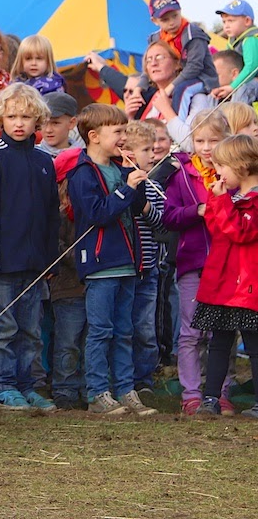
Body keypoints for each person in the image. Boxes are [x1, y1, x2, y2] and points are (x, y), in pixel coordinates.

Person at [0, 83, 59, 411]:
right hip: (2, 262)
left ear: (37, 120)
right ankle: (2, 387)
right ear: (0, 119)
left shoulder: (43, 161)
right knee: (4, 326)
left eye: (25, 116)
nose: (19, 123)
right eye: (11, 116)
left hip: (35, 264)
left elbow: (52, 214)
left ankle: (28, 384)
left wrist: (50, 260)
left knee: (31, 329)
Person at [66, 103, 155, 416]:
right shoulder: (82, 174)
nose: (123, 137)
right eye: (117, 131)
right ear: (93, 136)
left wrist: (135, 180)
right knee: (101, 330)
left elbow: (134, 208)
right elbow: (95, 215)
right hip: (101, 264)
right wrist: (123, 191)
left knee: (124, 331)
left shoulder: (120, 169)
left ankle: (125, 389)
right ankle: (98, 392)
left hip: (128, 263)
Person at [162, 110, 236, 414]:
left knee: (223, 330)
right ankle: (191, 392)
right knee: (192, 331)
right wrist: (198, 211)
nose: (206, 148)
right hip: (193, 262)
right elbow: (169, 217)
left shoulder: (233, 175)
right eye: (200, 140)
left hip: (229, 264)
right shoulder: (181, 175)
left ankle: (220, 391)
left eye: (213, 141)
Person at [192, 134, 258, 418]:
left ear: (241, 165)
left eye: (222, 166)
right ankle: (211, 398)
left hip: (246, 288)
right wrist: (216, 200)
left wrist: (222, 202)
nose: (218, 172)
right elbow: (218, 228)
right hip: (223, 285)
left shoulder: (253, 202)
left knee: (254, 345)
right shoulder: (233, 198)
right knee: (218, 342)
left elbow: (241, 232)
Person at [121, 121, 166, 398]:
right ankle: (123, 380)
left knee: (145, 330)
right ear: (127, 152)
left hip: (148, 270)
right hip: (124, 269)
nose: (153, 154)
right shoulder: (118, 181)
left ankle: (144, 379)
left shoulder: (154, 186)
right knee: (123, 328)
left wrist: (145, 206)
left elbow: (162, 225)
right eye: (146, 149)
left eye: (154, 148)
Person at [49, 146, 88, 409]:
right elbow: (58, 246)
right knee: (68, 341)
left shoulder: (91, 210)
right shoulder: (60, 214)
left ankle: (87, 387)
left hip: (91, 287)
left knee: (89, 341)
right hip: (67, 287)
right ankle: (64, 388)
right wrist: (81, 259)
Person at [146, 0, 218, 101]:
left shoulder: (192, 33)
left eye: (175, 16)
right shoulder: (155, 38)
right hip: (176, 79)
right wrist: (138, 88)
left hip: (202, 80)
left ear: (180, 10)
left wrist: (171, 86)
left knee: (182, 90)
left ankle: (175, 118)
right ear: (154, 21)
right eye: (165, 19)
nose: (172, 22)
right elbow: (147, 65)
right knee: (147, 94)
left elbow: (194, 67)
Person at [37, 92, 81, 157]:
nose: (48, 130)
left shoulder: (83, 158)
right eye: (44, 123)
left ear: (72, 123)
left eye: (55, 123)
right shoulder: (31, 157)